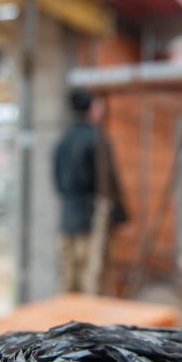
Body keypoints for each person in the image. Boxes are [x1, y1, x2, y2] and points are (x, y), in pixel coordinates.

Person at [53, 89, 128, 294]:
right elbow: (109, 182)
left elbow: (57, 183)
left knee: (68, 279)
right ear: (93, 107)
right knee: (93, 278)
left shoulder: (62, 142)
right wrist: (121, 216)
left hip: (67, 218)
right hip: (93, 218)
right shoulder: (97, 140)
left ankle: (67, 316)